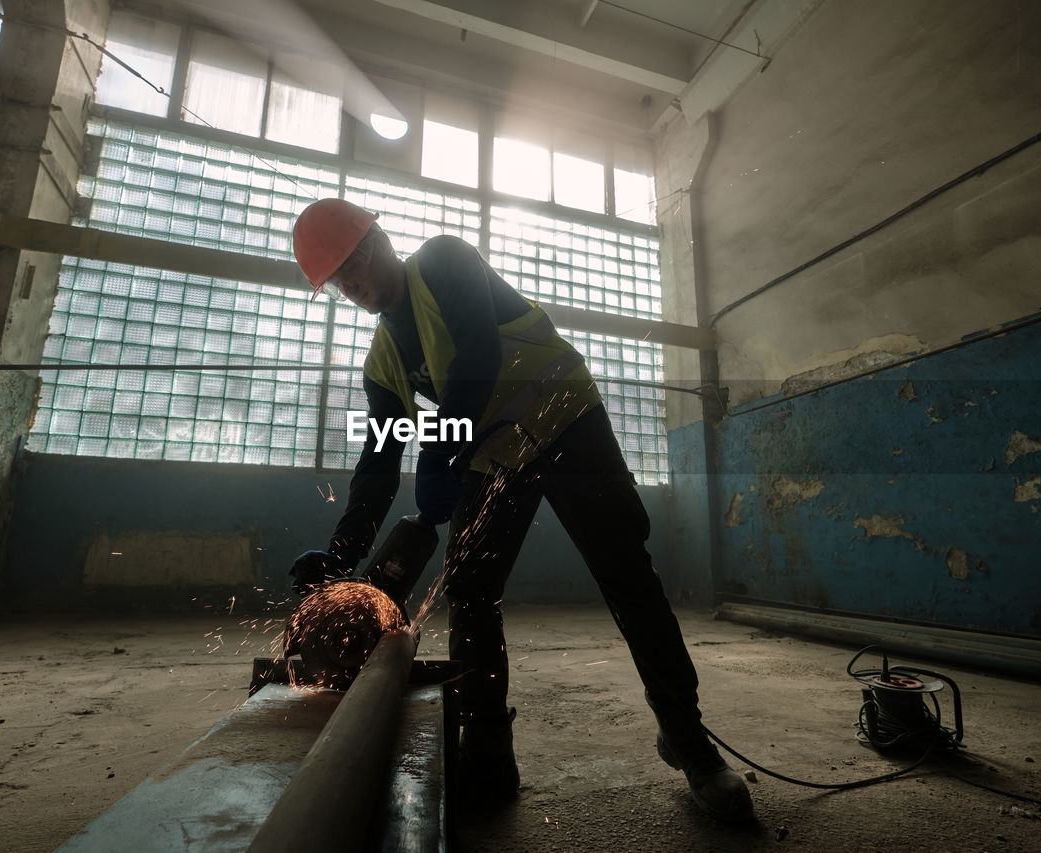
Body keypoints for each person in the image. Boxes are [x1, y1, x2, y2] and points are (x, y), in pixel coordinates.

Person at [287, 198, 753, 821]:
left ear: (381, 237)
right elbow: (376, 462)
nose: (354, 282)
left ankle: (690, 742)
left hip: (566, 419)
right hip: (501, 451)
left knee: (625, 574)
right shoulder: (383, 363)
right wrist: (342, 554)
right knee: (473, 588)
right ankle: (487, 747)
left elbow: (478, 356)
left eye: (356, 261)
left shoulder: (444, 261)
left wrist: (441, 448)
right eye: (339, 279)